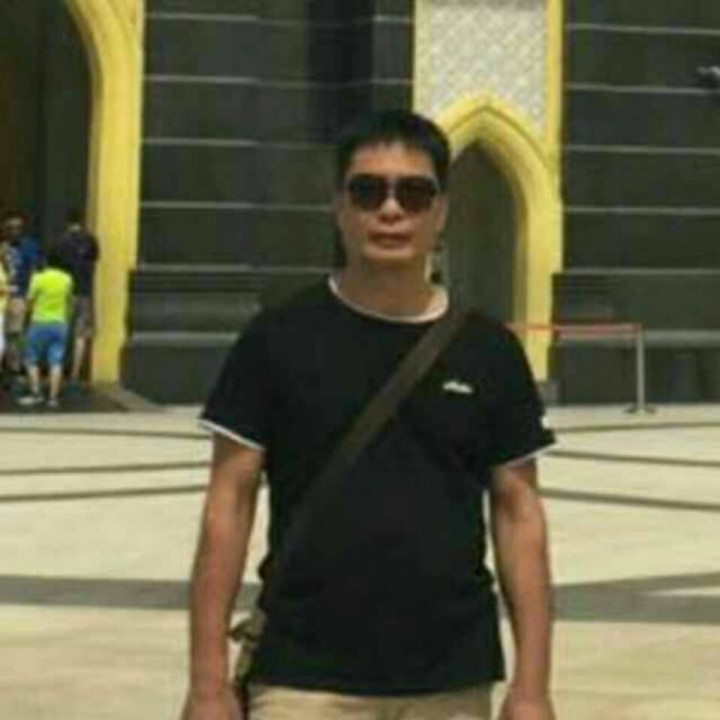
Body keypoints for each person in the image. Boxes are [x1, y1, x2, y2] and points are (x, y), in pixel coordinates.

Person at [182, 110, 556, 720]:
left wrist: (533, 688)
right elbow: (229, 503)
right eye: (368, 191)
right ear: (338, 207)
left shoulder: (489, 350)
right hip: (304, 678)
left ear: (441, 212)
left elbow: (519, 515)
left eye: (414, 193)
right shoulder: (278, 338)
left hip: (449, 680)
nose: (390, 210)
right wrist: (207, 683)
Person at [18, 245, 73, 408]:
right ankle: (53, 398)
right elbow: (69, 302)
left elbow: (29, 301)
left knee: (31, 359)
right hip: (59, 323)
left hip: (39, 322)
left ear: (46, 261)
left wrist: (25, 318)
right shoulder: (67, 279)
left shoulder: (38, 278)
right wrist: (66, 319)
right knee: (56, 361)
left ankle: (36, 394)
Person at [56, 208, 100, 386]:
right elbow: (95, 260)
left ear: (67, 222)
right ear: (82, 220)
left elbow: (55, 264)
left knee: (63, 330)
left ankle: (58, 367)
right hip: (85, 290)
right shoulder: (91, 240)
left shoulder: (61, 241)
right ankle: (75, 372)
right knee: (80, 334)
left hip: (66, 291)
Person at [2, 211, 42, 377]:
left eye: (18, 228)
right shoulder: (3, 247)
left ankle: (15, 368)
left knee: (16, 333)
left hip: (19, 295)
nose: (14, 231)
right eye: (10, 228)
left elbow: (34, 271)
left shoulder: (29, 247)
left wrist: (32, 296)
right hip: (3, 295)